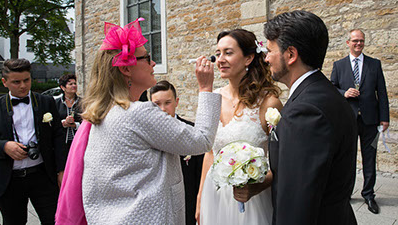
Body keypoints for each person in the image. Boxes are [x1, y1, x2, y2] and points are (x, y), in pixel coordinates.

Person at [55, 18, 221, 225]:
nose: (153, 64)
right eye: (147, 58)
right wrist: (206, 88)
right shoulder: (137, 114)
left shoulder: (104, 113)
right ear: (126, 69)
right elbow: (201, 140)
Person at [234, 10, 358, 225]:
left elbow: (297, 200)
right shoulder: (325, 93)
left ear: (290, 55)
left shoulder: (305, 110)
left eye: (270, 50)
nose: (266, 57)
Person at [196, 29, 283, 225]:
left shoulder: (268, 103)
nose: (220, 60)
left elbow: (283, 160)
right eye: (218, 53)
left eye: (228, 53)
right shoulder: (214, 99)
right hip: (215, 195)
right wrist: (200, 197)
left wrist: (258, 185)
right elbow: (210, 152)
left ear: (248, 58)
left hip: (251, 197)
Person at [0, 58, 66, 224]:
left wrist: (62, 170)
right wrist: (4, 146)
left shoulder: (46, 102)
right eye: (16, 82)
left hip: (43, 175)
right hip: (9, 180)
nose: (23, 86)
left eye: (26, 80)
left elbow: (58, 135)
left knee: (55, 220)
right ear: (4, 82)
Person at [330, 29, 389, 214]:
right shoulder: (339, 65)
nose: (358, 44)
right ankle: (346, 193)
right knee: (347, 158)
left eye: (361, 41)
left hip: (371, 121)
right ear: (348, 42)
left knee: (369, 158)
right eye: (355, 40)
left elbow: (383, 92)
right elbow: (331, 89)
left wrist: (384, 118)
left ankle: (369, 194)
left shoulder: (374, 64)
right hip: (348, 120)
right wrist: (344, 93)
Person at [150, 80, 204, 225]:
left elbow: (201, 174)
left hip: (189, 205)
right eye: (156, 104)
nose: (162, 109)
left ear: (176, 102)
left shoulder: (192, 131)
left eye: (167, 103)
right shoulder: (146, 136)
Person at [55, 74, 82, 158]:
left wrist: (75, 125)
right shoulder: (56, 102)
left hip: (78, 140)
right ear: (63, 87)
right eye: (70, 84)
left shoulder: (83, 102)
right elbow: (53, 122)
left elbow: (87, 121)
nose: (74, 86)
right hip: (62, 141)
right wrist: (63, 122)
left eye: (75, 83)